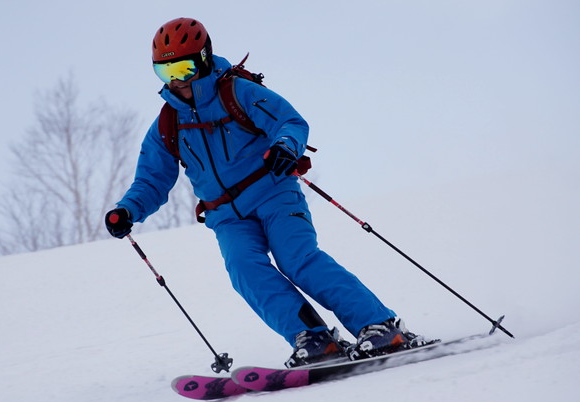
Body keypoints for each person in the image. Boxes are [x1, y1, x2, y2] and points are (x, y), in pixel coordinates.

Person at [106, 17, 425, 367]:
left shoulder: (238, 92)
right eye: (166, 72)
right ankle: (314, 338)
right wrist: (127, 210)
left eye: (185, 67)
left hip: (273, 192)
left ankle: (379, 326)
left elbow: (288, 122)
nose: (178, 80)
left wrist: (286, 146)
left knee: (298, 259)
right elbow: (152, 178)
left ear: (205, 58)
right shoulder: (168, 123)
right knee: (245, 270)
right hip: (225, 215)